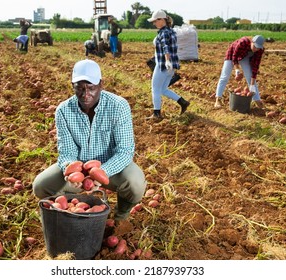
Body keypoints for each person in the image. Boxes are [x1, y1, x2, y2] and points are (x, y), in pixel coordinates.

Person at [32, 59, 147, 221]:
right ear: (72, 86)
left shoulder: (118, 106)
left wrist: (101, 173)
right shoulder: (63, 111)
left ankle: (121, 217)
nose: (86, 94)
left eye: (91, 88)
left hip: (111, 168)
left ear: (101, 84)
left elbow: (124, 152)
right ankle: (70, 214)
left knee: (135, 183)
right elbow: (67, 152)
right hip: (79, 167)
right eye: (80, 88)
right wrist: (71, 171)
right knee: (41, 186)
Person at [146, 10, 190, 119]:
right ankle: (182, 102)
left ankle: (156, 114)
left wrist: (167, 60)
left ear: (161, 20)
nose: (154, 23)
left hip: (163, 65)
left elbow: (166, 47)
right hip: (171, 66)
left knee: (155, 89)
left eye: (155, 21)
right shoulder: (170, 31)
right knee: (163, 90)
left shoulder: (164, 32)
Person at [214, 35, 265, 109]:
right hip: (232, 54)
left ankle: (257, 100)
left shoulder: (260, 50)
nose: (256, 49)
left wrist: (252, 86)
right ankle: (218, 99)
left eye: (258, 47)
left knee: (249, 75)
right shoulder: (243, 42)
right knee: (225, 76)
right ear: (252, 42)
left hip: (245, 56)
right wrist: (237, 70)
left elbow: (255, 67)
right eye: (255, 46)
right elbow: (234, 57)